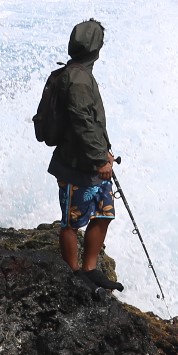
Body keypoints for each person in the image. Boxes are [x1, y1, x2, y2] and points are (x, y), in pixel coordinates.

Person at [44, 18, 123, 290]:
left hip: (92, 163)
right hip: (75, 165)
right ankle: (74, 272)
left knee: (103, 214)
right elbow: (81, 122)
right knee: (71, 222)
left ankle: (89, 269)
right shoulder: (77, 79)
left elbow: (89, 123)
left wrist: (104, 154)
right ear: (96, 48)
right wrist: (100, 158)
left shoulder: (80, 73)